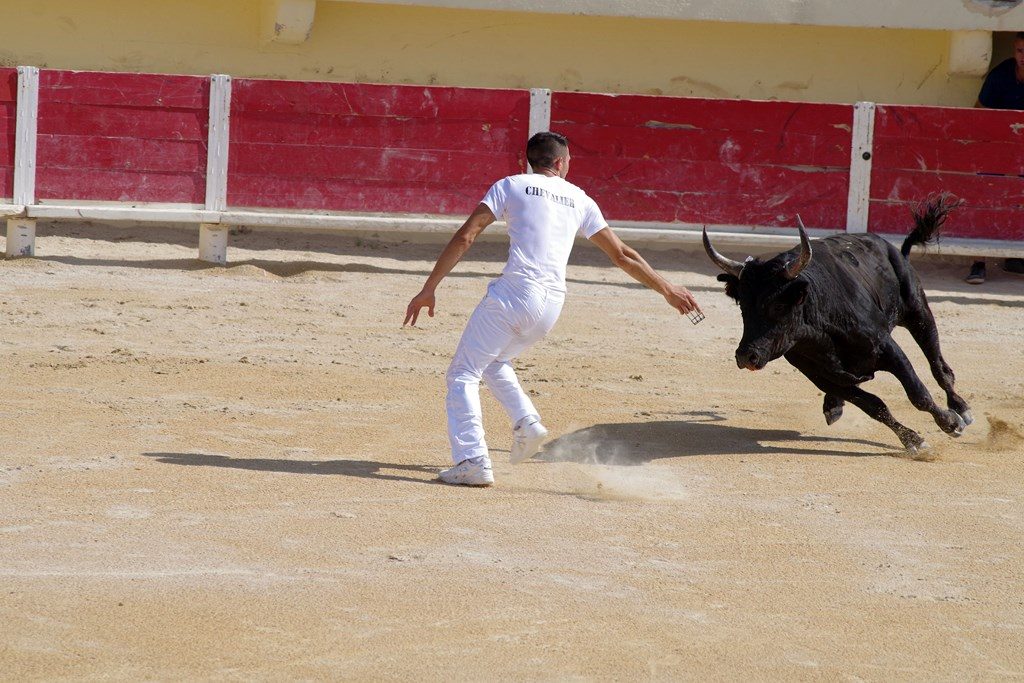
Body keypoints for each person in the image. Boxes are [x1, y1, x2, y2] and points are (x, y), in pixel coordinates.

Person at [403, 132, 701, 486]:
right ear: (560, 162)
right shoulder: (579, 198)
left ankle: (472, 460)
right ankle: (527, 423)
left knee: (463, 373)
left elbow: (467, 235)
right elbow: (623, 255)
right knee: (494, 360)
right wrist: (667, 289)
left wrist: (429, 287)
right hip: (551, 304)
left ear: (530, 161)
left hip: (514, 295)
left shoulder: (511, 185)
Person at [965, 31, 1024, 284]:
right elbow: (979, 113)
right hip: (997, 150)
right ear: (1014, 51)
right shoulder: (1001, 75)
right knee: (984, 197)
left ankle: (1016, 257)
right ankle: (978, 262)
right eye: (1020, 51)